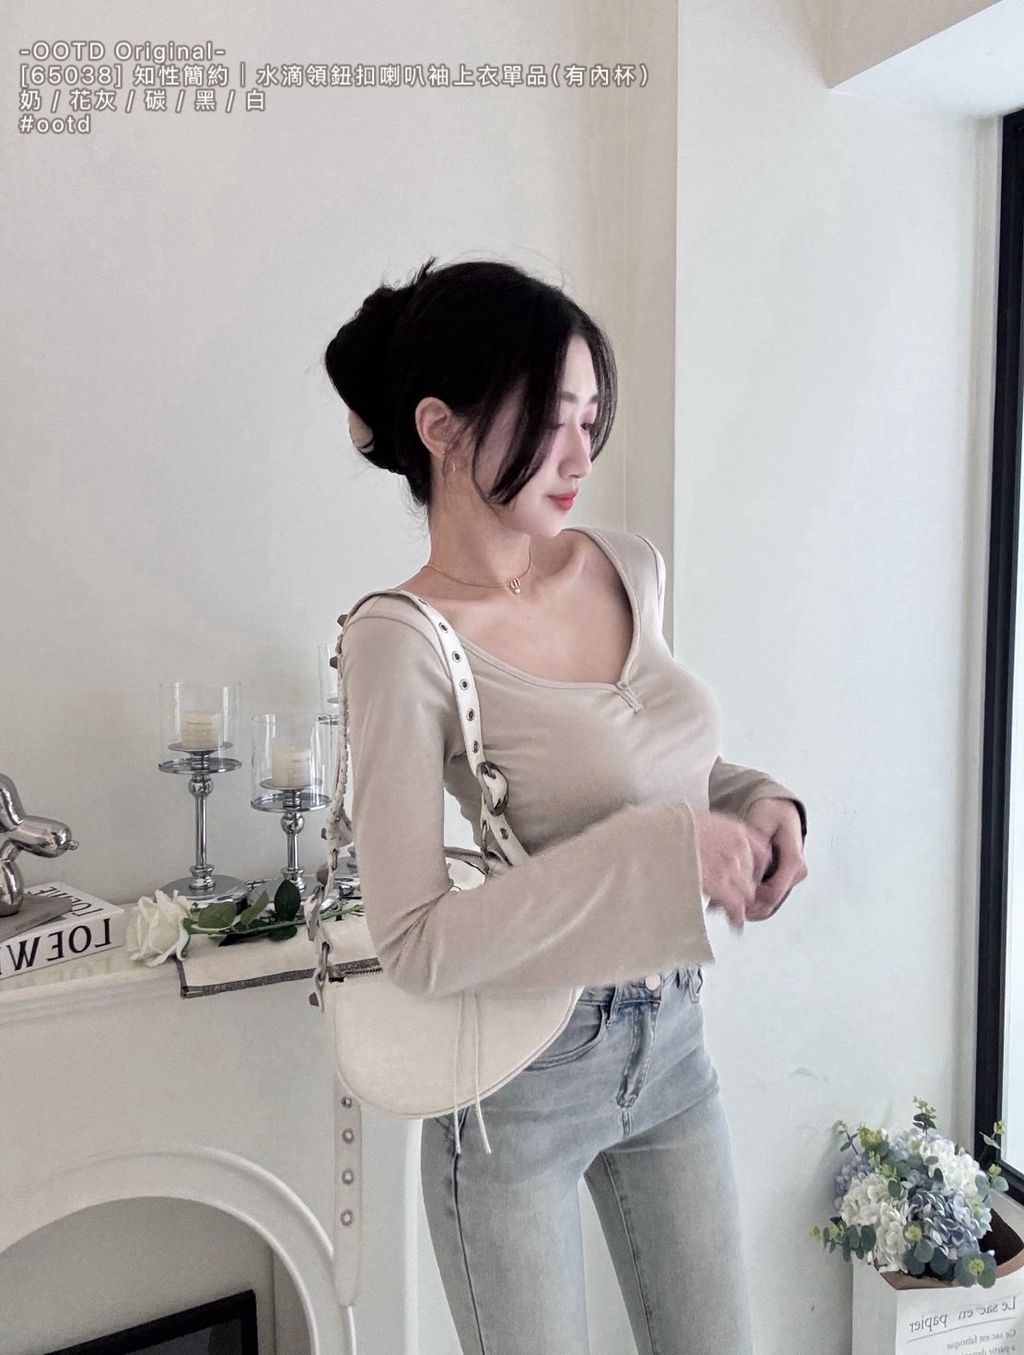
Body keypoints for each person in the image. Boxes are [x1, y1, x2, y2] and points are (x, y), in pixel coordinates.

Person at [323, 256, 809, 1355]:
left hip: (671, 1040)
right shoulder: (398, 639)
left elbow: (654, 769)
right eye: (550, 420)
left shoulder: (627, 566)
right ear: (441, 429)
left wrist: (759, 800)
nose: (582, 455)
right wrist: (664, 852)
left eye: (590, 418)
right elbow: (416, 941)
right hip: (521, 1079)